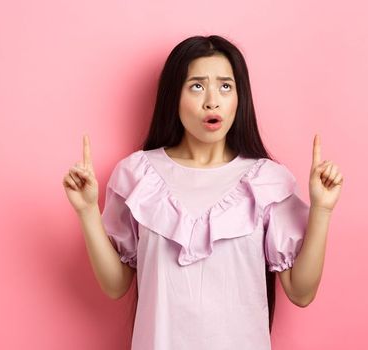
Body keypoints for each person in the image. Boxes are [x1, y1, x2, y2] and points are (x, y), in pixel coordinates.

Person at [63, 35, 343, 350]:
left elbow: (301, 293)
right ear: (174, 96)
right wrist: (87, 211)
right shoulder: (136, 175)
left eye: (226, 86)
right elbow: (116, 286)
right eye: (197, 86)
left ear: (240, 97)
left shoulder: (267, 181)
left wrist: (322, 209)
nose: (213, 100)